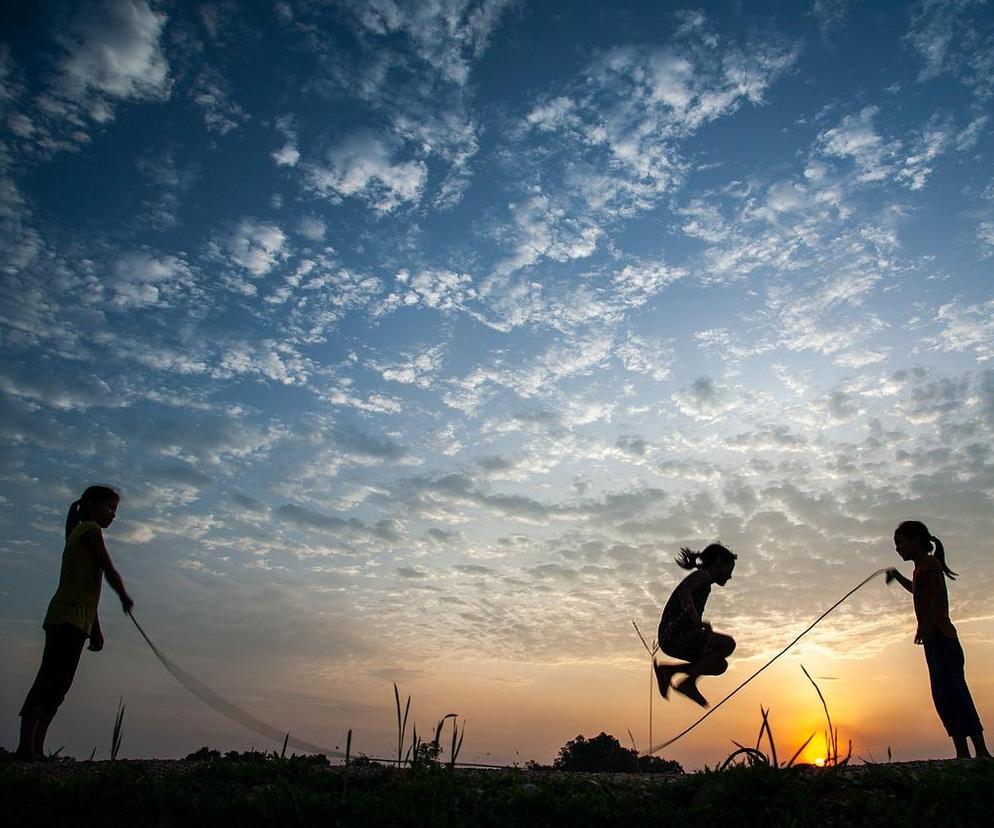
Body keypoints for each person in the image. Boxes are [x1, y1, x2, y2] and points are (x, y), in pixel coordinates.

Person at [15, 485, 134, 760]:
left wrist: (95, 630)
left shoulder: (82, 533)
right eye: (109, 508)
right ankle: (25, 748)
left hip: (77, 620)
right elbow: (107, 566)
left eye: (115, 511)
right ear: (92, 507)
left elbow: (88, 593)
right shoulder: (89, 531)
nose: (113, 515)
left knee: (60, 686)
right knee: (49, 681)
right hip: (65, 618)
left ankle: (36, 749)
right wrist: (124, 595)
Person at [885, 520, 989, 760]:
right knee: (943, 694)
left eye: (900, 542)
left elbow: (938, 596)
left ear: (915, 540)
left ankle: (980, 750)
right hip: (934, 639)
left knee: (955, 693)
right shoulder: (921, 568)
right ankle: (962, 751)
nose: (898, 548)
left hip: (942, 637)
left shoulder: (930, 565)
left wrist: (925, 624)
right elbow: (919, 591)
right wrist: (898, 577)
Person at [653, 543, 737, 707]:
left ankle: (669, 671)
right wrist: (697, 622)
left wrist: (697, 624)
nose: (730, 576)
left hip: (677, 638)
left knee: (719, 665)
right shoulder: (702, 576)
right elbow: (684, 591)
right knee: (727, 644)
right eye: (729, 569)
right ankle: (688, 683)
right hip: (674, 635)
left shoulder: (705, 583)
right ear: (719, 562)